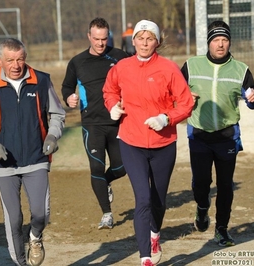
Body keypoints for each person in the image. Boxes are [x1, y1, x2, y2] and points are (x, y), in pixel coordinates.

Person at [103, 20, 194, 266]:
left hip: (164, 143)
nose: (144, 43)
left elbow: (186, 103)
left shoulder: (169, 69)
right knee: (142, 198)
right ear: (132, 41)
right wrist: (112, 106)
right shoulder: (121, 67)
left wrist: (166, 118)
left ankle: (155, 233)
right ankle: (145, 257)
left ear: (157, 42)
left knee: (158, 200)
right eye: (140, 38)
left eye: (149, 38)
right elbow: (109, 90)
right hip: (131, 141)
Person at [0, 38, 66, 266]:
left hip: (36, 158)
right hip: (5, 165)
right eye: (10, 60)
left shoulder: (41, 81)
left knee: (40, 213)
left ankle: (35, 238)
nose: (16, 65)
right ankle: (20, 263)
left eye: (20, 59)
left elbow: (58, 114)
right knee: (13, 220)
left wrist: (52, 135)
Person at [180, 20, 254, 247]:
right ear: (209, 42)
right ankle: (202, 208)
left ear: (230, 43)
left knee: (225, 185)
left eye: (225, 40)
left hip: (227, 136)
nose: (221, 44)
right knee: (201, 184)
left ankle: (222, 230)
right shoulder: (191, 66)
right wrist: (184, 97)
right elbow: (174, 94)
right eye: (216, 40)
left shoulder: (241, 70)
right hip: (199, 135)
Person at [61, 17, 128, 230]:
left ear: (108, 37)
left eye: (104, 39)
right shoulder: (77, 62)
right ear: (89, 36)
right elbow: (66, 87)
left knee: (122, 167)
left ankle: (105, 182)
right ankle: (106, 213)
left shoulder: (120, 57)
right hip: (92, 124)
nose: (100, 43)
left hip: (118, 122)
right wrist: (68, 98)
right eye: (96, 39)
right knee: (96, 167)